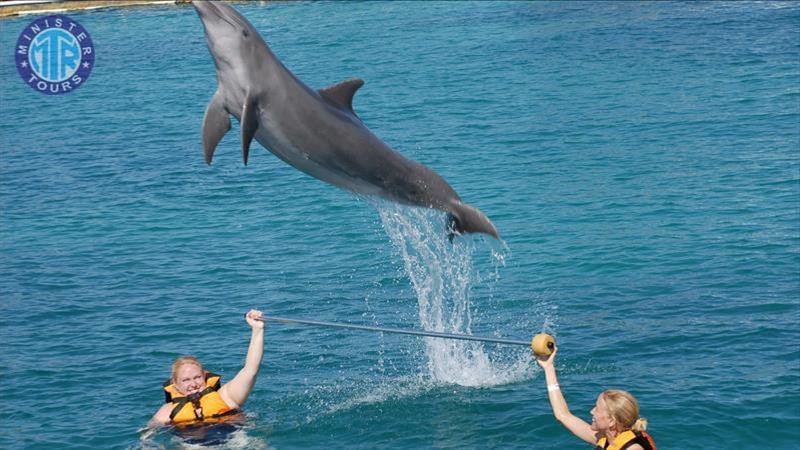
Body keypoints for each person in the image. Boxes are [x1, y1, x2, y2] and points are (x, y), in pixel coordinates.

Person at [148, 309, 265, 427]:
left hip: (234, 441)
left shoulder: (226, 397)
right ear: (175, 384)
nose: (193, 384)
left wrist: (257, 329)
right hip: (191, 445)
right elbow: (146, 435)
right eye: (186, 380)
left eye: (197, 377)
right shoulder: (167, 412)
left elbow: (250, 370)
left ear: (204, 377)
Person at [536, 347, 657, 450]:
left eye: (597, 409)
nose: (591, 411)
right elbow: (563, 415)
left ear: (611, 421)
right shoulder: (606, 438)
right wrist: (549, 368)